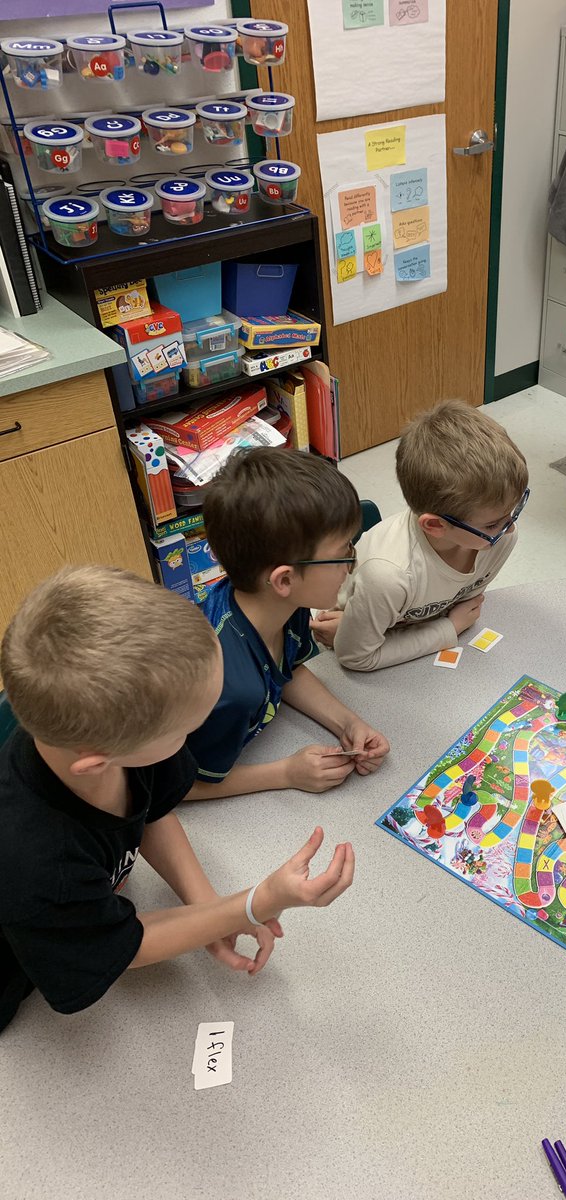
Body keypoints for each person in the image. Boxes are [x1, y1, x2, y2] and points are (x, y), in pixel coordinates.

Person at [0, 566, 355, 1034]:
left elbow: (149, 810)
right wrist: (253, 903)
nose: (191, 738)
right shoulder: (37, 860)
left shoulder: (103, 741)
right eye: (185, 731)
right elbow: (125, 946)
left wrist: (206, 909)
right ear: (99, 761)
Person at [186, 448, 390, 798]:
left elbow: (287, 670)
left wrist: (348, 723)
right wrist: (285, 773)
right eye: (343, 553)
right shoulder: (227, 686)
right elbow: (168, 788)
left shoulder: (282, 602)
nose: (350, 565)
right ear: (284, 579)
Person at [313, 399, 529, 671]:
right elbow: (355, 656)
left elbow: (461, 605)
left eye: (514, 510)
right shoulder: (388, 576)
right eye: (492, 525)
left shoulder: (499, 539)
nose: (510, 528)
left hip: (393, 639)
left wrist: (371, 632)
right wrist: (449, 628)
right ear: (436, 525)